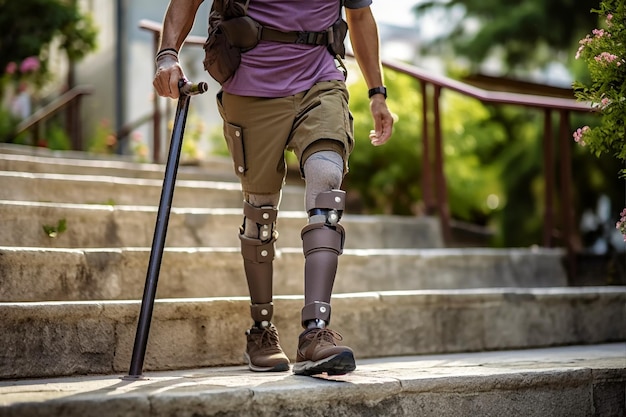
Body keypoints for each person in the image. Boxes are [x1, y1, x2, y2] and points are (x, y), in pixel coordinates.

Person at [152, 0, 393, 376]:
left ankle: (316, 332)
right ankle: (261, 331)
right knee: (260, 210)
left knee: (326, 179)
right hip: (251, 86)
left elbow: (359, 16)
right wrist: (167, 54)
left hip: (320, 80)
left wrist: (377, 93)